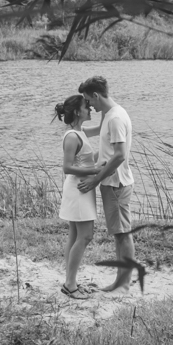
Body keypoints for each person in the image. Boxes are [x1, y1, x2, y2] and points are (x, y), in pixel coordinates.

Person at [75, 76, 136, 293]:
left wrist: (95, 180)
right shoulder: (109, 114)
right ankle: (120, 281)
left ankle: (125, 283)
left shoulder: (115, 118)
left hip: (116, 182)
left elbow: (119, 155)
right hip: (111, 182)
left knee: (123, 233)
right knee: (119, 233)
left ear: (96, 95)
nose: (88, 104)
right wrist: (74, 130)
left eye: (88, 100)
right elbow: (98, 133)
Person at [54, 94, 100, 298]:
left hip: (83, 188)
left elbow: (102, 130)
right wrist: (97, 170)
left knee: (74, 236)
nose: (90, 110)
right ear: (77, 112)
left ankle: (70, 281)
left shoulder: (81, 132)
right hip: (78, 189)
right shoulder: (72, 136)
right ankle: (70, 286)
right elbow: (67, 167)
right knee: (85, 235)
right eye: (86, 107)